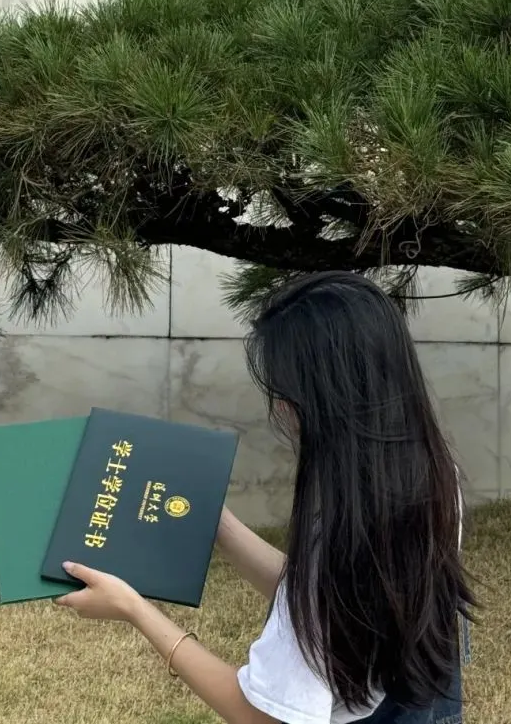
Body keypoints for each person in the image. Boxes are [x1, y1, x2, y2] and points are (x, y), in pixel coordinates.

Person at [55, 271, 475, 724]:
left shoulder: (336, 544)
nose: (279, 407)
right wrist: (217, 521)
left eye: (284, 392)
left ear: (326, 399)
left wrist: (135, 610)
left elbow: (262, 716)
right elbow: (329, 600)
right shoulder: (432, 477)